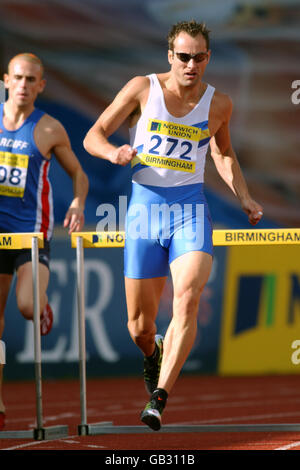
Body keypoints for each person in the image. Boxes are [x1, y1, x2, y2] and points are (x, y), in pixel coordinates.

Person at [83, 20, 263, 431]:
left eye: (199, 57)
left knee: (187, 297)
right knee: (139, 328)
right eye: (183, 56)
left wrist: (245, 196)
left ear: (208, 58)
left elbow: (224, 152)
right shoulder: (142, 89)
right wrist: (112, 153)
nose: (191, 64)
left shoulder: (219, 104)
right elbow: (93, 135)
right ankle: (152, 353)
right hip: (145, 213)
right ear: (170, 56)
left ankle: (159, 397)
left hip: (190, 211)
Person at [0, 53, 89, 431]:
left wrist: (78, 201)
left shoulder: (49, 129)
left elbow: (78, 173)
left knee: (25, 306)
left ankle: (42, 306)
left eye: (30, 79)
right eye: (17, 77)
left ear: (41, 85)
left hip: (31, 236)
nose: (23, 85)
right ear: (6, 80)